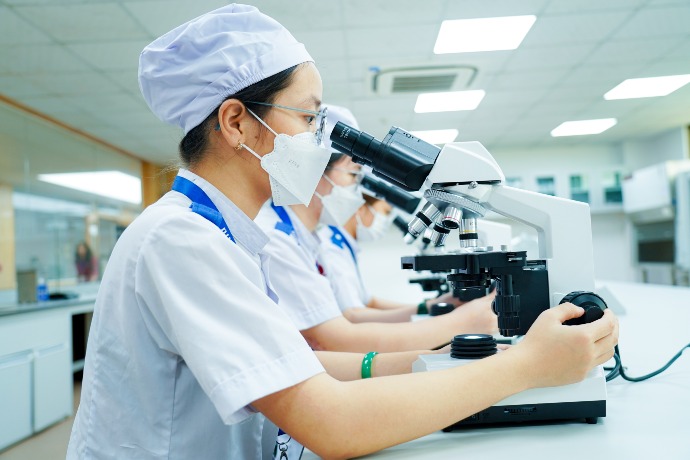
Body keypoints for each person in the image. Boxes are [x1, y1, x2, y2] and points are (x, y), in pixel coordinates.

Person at [67, 5, 618, 459]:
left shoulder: (224, 235)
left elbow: (294, 363)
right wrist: (525, 366)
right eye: (309, 119)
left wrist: (447, 355)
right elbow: (330, 424)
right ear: (236, 123)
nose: (320, 141)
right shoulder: (180, 241)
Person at [317, 104, 458, 323]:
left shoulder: (340, 242)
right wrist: (445, 319)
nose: (385, 220)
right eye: (353, 175)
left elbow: (367, 302)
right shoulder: (326, 243)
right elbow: (352, 315)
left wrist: (429, 308)